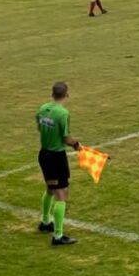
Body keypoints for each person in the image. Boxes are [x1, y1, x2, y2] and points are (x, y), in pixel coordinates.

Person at [36, 81, 81, 246]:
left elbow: (39, 128)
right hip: (56, 157)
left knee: (50, 188)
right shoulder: (63, 113)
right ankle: (58, 236)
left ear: (52, 94)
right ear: (67, 95)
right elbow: (66, 138)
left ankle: (45, 222)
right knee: (61, 194)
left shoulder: (42, 109)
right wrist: (76, 144)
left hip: (44, 154)